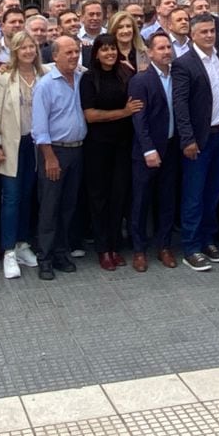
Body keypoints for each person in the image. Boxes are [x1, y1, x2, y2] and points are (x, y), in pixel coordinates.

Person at [172, 13, 219, 271]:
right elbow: (180, 105)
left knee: (214, 192)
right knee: (194, 194)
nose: (209, 35)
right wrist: (187, 139)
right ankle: (191, 246)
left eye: (212, 31)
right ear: (192, 35)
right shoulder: (184, 63)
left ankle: (207, 238)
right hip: (199, 139)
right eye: (203, 32)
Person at [0, 30, 45, 278]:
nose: (28, 51)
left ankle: (22, 243)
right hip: (13, 144)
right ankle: (8, 250)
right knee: (11, 197)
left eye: (32, 47)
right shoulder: (5, 78)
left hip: (37, 144)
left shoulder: (45, 74)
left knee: (28, 195)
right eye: (23, 48)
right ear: (15, 51)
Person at [82, 34, 142, 270]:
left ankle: (115, 245)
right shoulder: (88, 78)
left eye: (113, 49)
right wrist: (123, 113)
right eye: (104, 49)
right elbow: (91, 115)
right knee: (99, 198)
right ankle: (102, 248)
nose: (110, 53)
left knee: (119, 196)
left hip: (123, 145)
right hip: (97, 146)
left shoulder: (126, 74)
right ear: (96, 53)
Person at [32, 34, 87, 280]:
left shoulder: (81, 78)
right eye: (68, 52)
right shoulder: (45, 84)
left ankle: (61, 253)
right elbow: (39, 128)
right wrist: (49, 158)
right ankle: (44, 258)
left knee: (68, 206)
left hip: (77, 149)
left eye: (76, 51)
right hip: (54, 151)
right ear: (54, 56)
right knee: (49, 207)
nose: (74, 56)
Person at [128, 31, 181, 271]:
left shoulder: (178, 76)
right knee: (140, 201)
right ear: (150, 53)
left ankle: (164, 246)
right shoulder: (141, 80)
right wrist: (148, 149)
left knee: (167, 199)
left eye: (168, 47)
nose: (166, 52)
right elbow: (139, 118)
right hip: (147, 151)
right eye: (160, 48)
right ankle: (139, 249)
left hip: (172, 147)